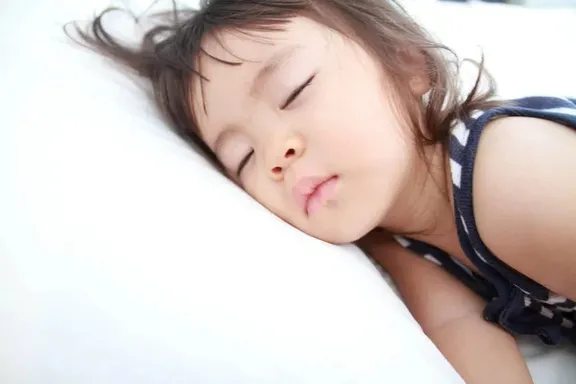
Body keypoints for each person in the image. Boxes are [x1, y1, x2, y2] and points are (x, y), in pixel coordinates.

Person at [68, 1, 576, 382]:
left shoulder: (506, 170)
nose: (273, 153)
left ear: (408, 65)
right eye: (241, 158)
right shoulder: (394, 234)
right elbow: (455, 323)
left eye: (294, 90)